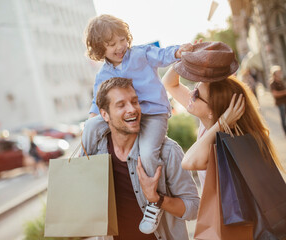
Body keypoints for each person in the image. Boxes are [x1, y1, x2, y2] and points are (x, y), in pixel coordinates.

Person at [83, 14, 193, 233]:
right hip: (125, 118)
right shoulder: (103, 74)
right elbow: (97, 107)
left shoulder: (141, 54)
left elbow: (162, 55)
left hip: (152, 115)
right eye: (112, 44)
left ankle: (153, 204)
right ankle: (83, 163)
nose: (120, 46)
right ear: (99, 49)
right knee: (90, 126)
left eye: (122, 39)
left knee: (149, 153)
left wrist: (180, 51)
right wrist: (90, 131)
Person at [162, 41, 283, 238]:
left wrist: (220, 126)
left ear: (213, 111)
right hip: (233, 221)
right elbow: (170, 83)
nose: (190, 96)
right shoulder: (206, 119)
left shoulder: (224, 141)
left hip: (239, 225)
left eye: (196, 95)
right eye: (193, 90)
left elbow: (188, 161)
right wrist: (188, 57)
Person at [81, 77, 199, 240]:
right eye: (121, 105)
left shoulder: (167, 152)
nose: (132, 109)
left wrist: (157, 199)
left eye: (135, 102)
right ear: (104, 115)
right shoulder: (95, 153)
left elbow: (194, 208)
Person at [269, 65, 286, 136]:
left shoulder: (281, 81)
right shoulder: (273, 83)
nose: (280, 73)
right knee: (283, 118)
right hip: (280, 103)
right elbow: (275, 94)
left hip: (284, 102)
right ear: (275, 74)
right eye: (278, 72)